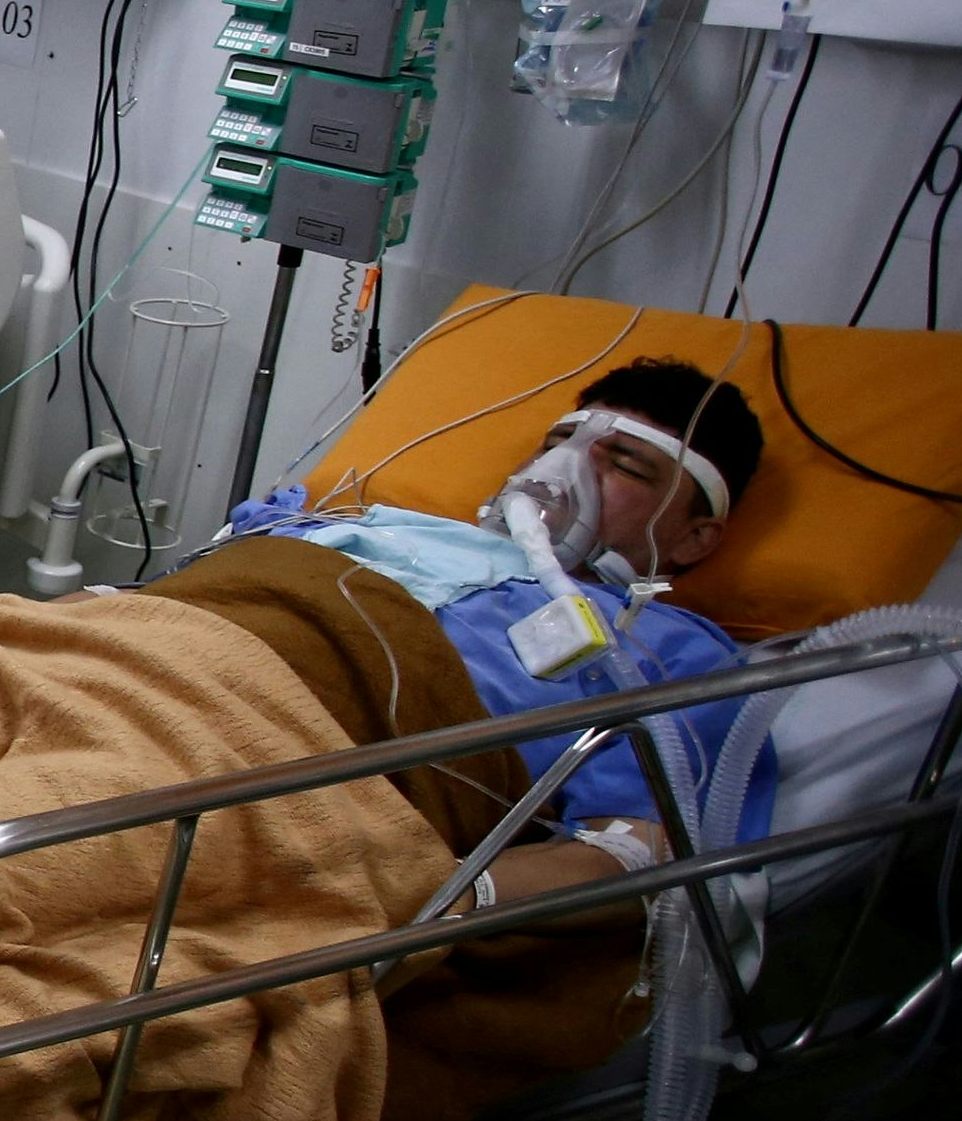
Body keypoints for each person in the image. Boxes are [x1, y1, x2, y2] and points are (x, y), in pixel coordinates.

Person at [233, 357, 775, 868]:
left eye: (626, 466)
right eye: (558, 444)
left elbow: (627, 855)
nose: (560, 469)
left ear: (694, 539)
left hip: (286, 782)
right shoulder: (369, 525)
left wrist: (445, 899)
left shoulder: (667, 654)